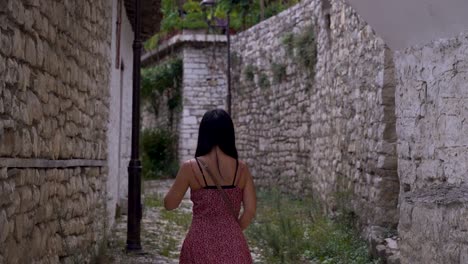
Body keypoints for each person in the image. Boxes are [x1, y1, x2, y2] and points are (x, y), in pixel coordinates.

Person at [164, 109, 256, 264]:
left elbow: (170, 205)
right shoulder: (242, 169)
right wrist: (232, 230)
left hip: (200, 242)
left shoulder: (190, 168)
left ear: (203, 134)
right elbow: (250, 211)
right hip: (234, 243)